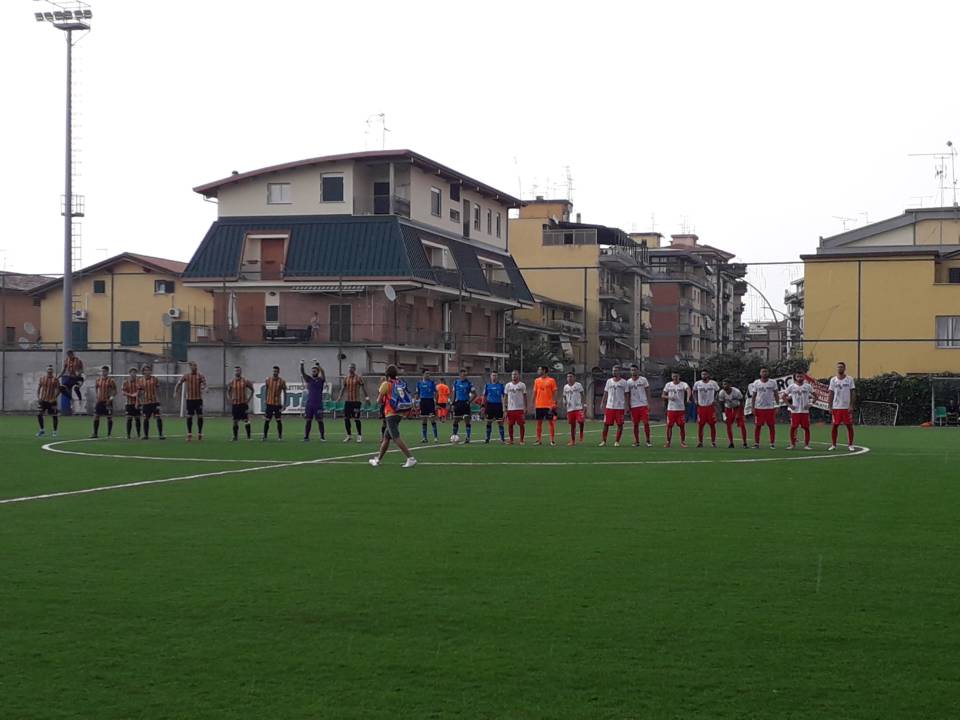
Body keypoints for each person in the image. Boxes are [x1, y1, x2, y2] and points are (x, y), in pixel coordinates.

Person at [368, 365, 417, 469]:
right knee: (386, 437)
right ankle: (378, 459)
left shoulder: (386, 384)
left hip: (391, 413)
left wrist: (382, 394)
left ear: (387, 374)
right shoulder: (399, 382)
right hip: (399, 412)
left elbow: (378, 400)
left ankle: (411, 458)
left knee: (395, 437)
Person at [828, 361, 857, 451]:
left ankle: (850, 445)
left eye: (841, 367)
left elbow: (853, 392)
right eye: (838, 367)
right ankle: (833, 445)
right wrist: (830, 406)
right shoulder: (833, 380)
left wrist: (851, 405)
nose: (840, 368)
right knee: (835, 426)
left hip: (846, 407)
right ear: (836, 368)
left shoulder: (849, 379)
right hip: (836, 407)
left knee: (849, 426)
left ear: (844, 368)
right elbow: (831, 393)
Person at [175, 361, 206, 442]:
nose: (194, 367)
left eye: (195, 366)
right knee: (189, 416)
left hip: (198, 399)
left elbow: (204, 384)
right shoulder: (186, 376)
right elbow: (179, 383)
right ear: (190, 367)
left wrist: (204, 387)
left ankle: (200, 433)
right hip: (190, 400)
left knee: (200, 416)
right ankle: (189, 434)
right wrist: (176, 391)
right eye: (193, 366)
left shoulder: (200, 375)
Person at [338, 363, 368, 443]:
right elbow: (343, 388)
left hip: (356, 402)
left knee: (356, 419)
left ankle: (359, 435)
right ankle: (349, 435)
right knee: (346, 419)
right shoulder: (346, 378)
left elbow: (363, 388)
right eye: (349, 367)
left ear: (354, 369)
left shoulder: (358, 378)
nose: (350, 369)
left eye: (351, 367)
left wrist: (367, 398)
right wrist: (339, 397)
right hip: (348, 401)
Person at [599, 365, 628, 447]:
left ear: (619, 372)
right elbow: (605, 392)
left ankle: (617, 441)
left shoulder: (624, 382)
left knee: (620, 424)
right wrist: (602, 402)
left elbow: (626, 395)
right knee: (606, 424)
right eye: (613, 370)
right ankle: (603, 441)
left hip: (620, 407)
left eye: (616, 370)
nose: (614, 372)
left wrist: (626, 406)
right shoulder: (609, 381)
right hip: (609, 406)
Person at [783, 372, 813, 450]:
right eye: (798, 376)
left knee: (806, 428)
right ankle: (792, 445)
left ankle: (806, 445)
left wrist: (810, 404)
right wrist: (790, 405)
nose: (799, 378)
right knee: (793, 428)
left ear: (804, 377)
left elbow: (815, 396)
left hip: (804, 411)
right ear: (795, 377)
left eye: (801, 376)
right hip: (795, 411)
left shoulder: (808, 386)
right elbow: (783, 397)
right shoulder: (791, 386)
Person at [750, 367, 779, 449]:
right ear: (760, 373)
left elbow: (776, 394)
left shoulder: (773, 382)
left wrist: (777, 406)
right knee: (758, 426)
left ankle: (772, 443)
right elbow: (754, 396)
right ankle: (756, 443)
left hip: (770, 408)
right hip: (759, 407)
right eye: (763, 371)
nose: (764, 373)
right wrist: (752, 407)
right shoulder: (756, 382)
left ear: (768, 373)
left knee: (771, 426)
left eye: (766, 371)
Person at [662, 371, 691, 448]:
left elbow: (688, 389)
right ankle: (668, 442)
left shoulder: (683, 384)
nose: (675, 378)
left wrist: (688, 398)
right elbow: (663, 395)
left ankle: (683, 442)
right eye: (673, 376)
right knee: (669, 426)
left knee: (682, 426)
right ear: (672, 377)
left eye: (676, 376)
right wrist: (669, 397)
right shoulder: (668, 385)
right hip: (671, 409)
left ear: (679, 376)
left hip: (680, 409)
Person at [626, 365, 652, 447]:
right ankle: (636, 441)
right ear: (630, 371)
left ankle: (648, 441)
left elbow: (648, 391)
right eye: (632, 370)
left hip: (643, 404)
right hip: (634, 406)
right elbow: (628, 394)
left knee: (646, 423)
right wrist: (628, 406)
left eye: (635, 370)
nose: (633, 371)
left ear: (638, 371)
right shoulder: (628, 382)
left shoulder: (643, 380)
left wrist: (648, 403)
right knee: (635, 424)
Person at [693, 370, 720, 448]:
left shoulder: (713, 383)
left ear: (708, 375)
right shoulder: (697, 383)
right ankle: (700, 442)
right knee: (700, 425)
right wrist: (695, 400)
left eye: (705, 374)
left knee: (712, 425)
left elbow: (718, 391)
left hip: (710, 407)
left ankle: (713, 442)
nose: (703, 376)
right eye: (702, 374)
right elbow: (694, 391)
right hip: (701, 407)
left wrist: (715, 399)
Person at [301, 360, 326, 442]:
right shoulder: (309, 379)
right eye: (312, 371)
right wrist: (302, 365)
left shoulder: (321, 380)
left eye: (315, 371)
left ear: (317, 372)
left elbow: (323, 372)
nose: (313, 372)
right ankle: (306, 437)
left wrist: (318, 365)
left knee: (320, 421)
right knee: (308, 420)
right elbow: (303, 373)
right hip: (310, 404)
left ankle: (322, 437)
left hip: (318, 404)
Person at [532, 366, 558, 446]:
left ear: (544, 370)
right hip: (539, 405)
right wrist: (533, 403)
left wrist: (554, 403)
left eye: (539, 369)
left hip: (548, 405)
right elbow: (535, 392)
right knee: (539, 423)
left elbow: (555, 392)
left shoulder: (551, 380)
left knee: (551, 423)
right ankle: (538, 440)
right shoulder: (536, 380)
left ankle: (552, 440)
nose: (538, 371)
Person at [138, 365, 165, 440]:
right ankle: (146, 435)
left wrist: (159, 400)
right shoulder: (140, 380)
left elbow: (158, 390)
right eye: (145, 370)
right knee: (146, 418)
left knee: (158, 417)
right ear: (143, 372)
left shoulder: (155, 379)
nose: (147, 372)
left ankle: (161, 434)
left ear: (150, 371)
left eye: (148, 370)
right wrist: (139, 401)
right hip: (146, 402)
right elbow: (139, 392)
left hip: (155, 402)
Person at [719, 380, 748, 449]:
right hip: (728, 409)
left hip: (737, 408)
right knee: (728, 425)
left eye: (726, 384)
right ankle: (731, 443)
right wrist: (723, 415)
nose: (724, 386)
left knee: (742, 425)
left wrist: (739, 413)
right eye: (723, 384)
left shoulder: (736, 391)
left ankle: (744, 443)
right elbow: (721, 404)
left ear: (730, 385)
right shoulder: (722, 393)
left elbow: (741, 401)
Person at [228, 366, 255, 441]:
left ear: (241, 372)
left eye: (238, 371)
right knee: (235, 421)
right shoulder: (232, 382)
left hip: (243, 404)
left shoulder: (245, 381)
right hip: (235, 404)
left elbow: (252, 390)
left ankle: (249, 437)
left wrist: (248, 400)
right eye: (236, 371)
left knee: (246, 420)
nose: (237, 372)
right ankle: (235, 437)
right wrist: (230, 399)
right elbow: (228, 391)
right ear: (234, 372)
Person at [262, 365, 287, 441]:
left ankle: (280, 437)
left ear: (278, 372)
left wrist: (284, 404)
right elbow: (266, 389)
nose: (274, 372)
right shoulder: (268, 380)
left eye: (276, 371)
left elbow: (285, 392)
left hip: (277, 404)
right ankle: (265, 436)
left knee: (278, 420)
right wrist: (265, 399)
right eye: (273, 371)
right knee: (267, 420)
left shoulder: (282, 381)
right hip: (269, 403)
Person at [91, 365, 117, 439]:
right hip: (100, 401)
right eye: (102, 371)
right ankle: (95, 433)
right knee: (96, 416)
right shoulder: (98, 380)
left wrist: (110, 399)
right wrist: (97, 396)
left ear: (108, 372)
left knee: (109, 417)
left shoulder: (111, 380)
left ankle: (109, 434)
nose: (103, 372)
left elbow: (115, 391)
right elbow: (96, 388)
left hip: (107, 401)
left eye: (105, 371)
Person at [36, 364, 61, 438]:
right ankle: (42, 430)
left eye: (51, 370)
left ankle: (55, 432)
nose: (50, 371)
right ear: (46, 370)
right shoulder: (42, 378)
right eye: (48, 369)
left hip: (52, 401)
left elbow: (59, 390)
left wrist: (54, 398)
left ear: (52, 371)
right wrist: (38, 397)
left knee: (54, 416)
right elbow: (39, 388)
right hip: (43, 400)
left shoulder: (55, 379)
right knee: (39, 414)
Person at [482, 371, 506, 444]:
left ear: (497, 376)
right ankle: (487, 438)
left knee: (500, 422)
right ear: (490, 376)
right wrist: (483, 405)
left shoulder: (501, 386)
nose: (494, 377)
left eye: (495, 375)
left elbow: (504, 397)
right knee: (488, 422)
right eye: (493, 375)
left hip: (498, 405)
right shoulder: (487, 385)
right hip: (490, 405)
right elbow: (484, 396)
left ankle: (502, 439)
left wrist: (504, 407)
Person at [504, 370, 528, 445]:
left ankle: (522, 440)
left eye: (515, 374)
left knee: (521, 424)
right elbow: (505, 397)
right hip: (510, 409)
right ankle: (511, 440)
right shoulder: (508, 385)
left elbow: (525, 397)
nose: (514, 376)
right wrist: (505, 408)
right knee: (510, 425)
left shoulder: (522, 385)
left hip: (519, 408)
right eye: (513, 374)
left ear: (518, 375)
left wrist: (525, 407)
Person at [451, 369, 475, 443]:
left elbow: (474, 394)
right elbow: (454, 393)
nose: (464, 376)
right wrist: (453, 403)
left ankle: (468, 437)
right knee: (455, 420)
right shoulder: (455, 382)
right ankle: (454, 436)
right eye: (462, 374)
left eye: (465, 375)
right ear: (460, 375)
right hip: (458, 403)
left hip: (465, 403)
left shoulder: (469, 383)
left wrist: (469, 401)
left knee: (467, 420)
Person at [562, 372, 586, 446]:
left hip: (578, 407)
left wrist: (585, 404)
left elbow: (582, 395)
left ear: (574, 377)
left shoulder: (578, 385)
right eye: (568, 377)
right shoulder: (565, 387)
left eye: (571, 376)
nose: (569, 378)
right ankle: (573, 441)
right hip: (570, 408)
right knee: (572, 425)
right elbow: (564, 396)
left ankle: (581, 433)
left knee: (581, 421)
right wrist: (564, 401)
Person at [416, 370, 439, 443]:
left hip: (430, 401)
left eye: (429, 373)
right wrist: (416, 401)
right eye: (426, 373)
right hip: (423, 401)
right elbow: (417, 393)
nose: (428, 375)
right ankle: (424, 438)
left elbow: (436, 392)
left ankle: (435, 437)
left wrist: (436, 401)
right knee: (424, 419)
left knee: (432, 419)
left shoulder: (432, 383)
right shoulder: (419, 383)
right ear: (423, 374)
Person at [121, 367, 142, 440]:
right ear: (129, 373)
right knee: (129, 418)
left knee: (137, 418)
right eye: (132, 372)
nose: (133, 374)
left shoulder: (139, 381)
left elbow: (141, 391)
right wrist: (131, 395)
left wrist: (137, 395)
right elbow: (123, 392)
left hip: (137, 403)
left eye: (135, 372)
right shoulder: (125, 382)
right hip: (129, 403)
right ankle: (128, 435)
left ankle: (139, 434)